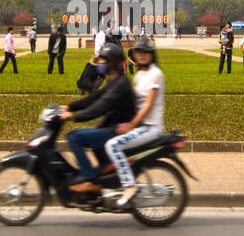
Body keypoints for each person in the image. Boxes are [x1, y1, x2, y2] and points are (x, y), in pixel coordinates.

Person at [61, 43, 135, 193]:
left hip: (117, 130)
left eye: (103, 61)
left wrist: (74, 117)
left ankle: (90, 179)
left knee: (74, 137)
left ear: (112, 63)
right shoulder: (114, 81)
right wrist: (70, 107)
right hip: (110, 126)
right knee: (89, 139)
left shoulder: (121, 84)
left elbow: (100, 107)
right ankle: (106, 179)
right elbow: (95, 97)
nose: (99, 63)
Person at [104, 36, 166, 208]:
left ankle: (130, 185)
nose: (142, 55)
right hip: (141, 125)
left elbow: (148, 105)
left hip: (150, 127)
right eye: (138, 52)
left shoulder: (155, 74)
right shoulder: (140, 74)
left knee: (113, 146)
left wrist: (131, 125)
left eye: (145, 52)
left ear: (152, 54)